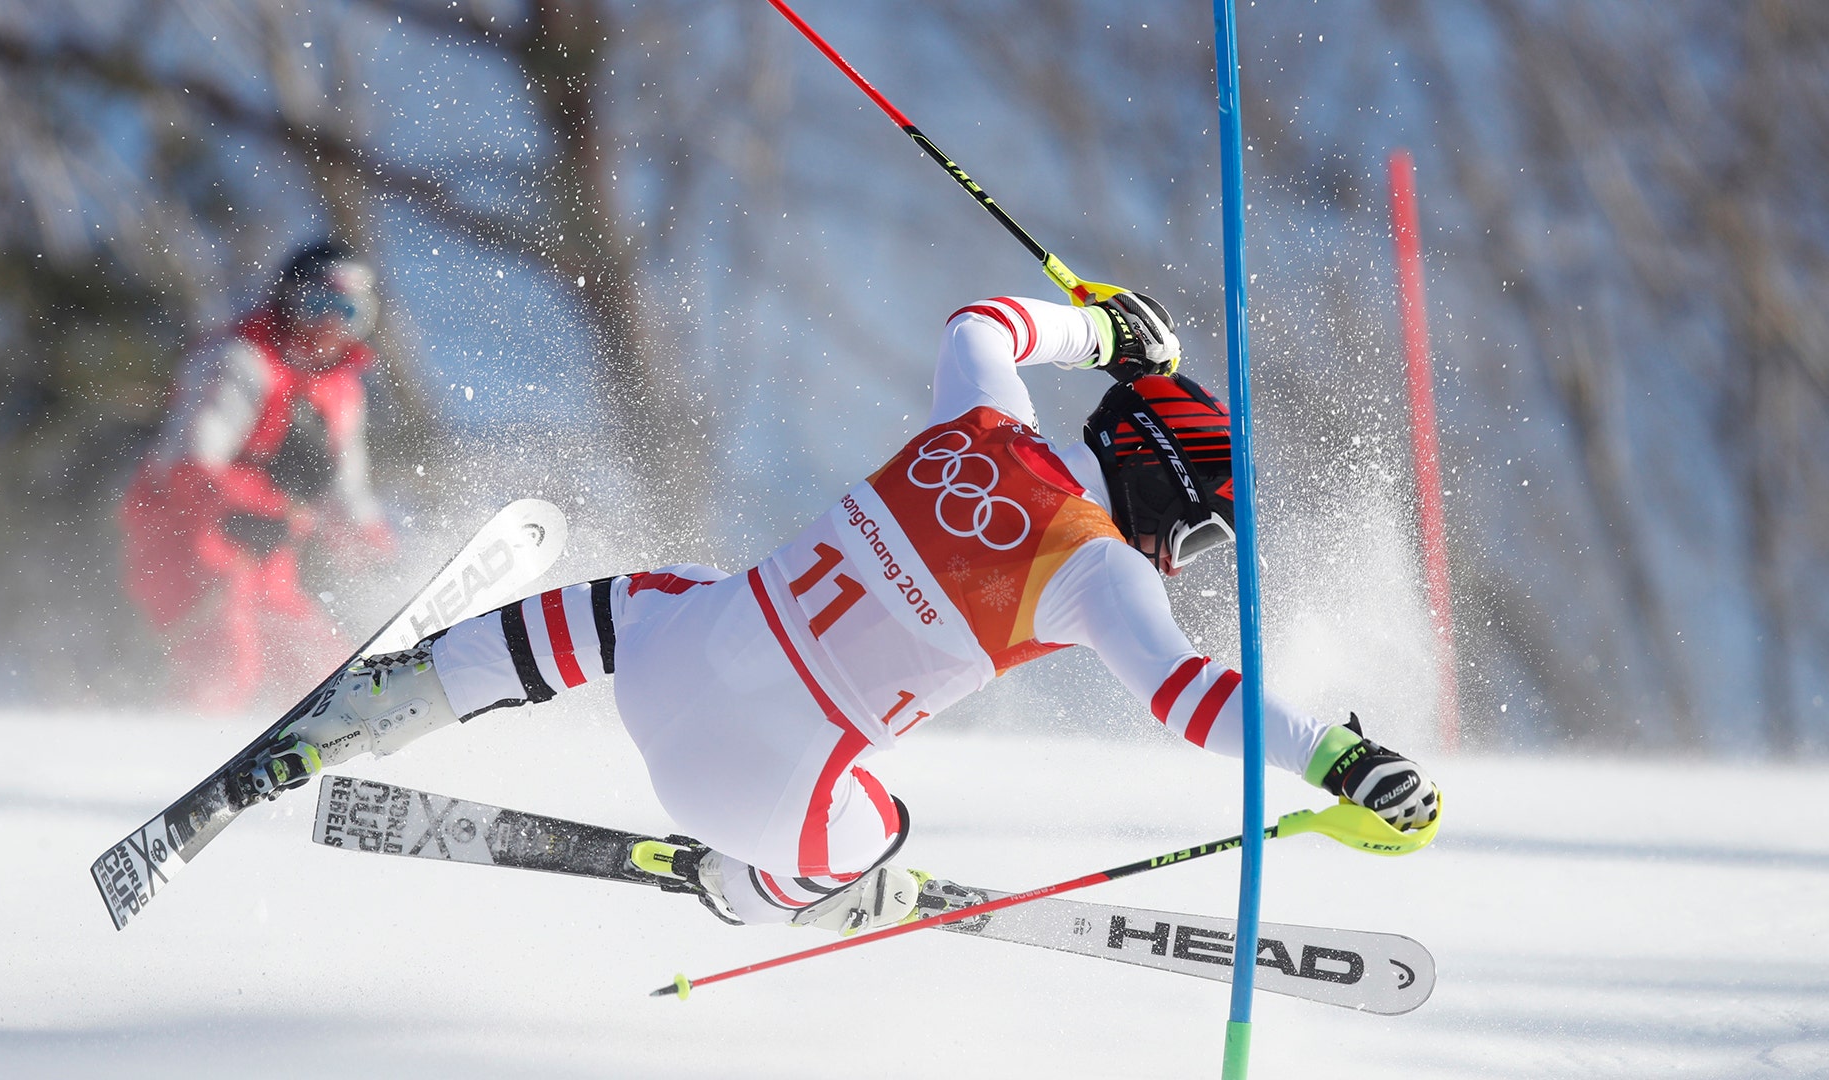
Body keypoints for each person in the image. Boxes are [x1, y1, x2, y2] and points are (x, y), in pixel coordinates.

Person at [253, 290, 1439, 932]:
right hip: (760, 804)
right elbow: (1193, 701)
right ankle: (753, 893)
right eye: (1195, 533)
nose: (1181, 561)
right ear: (1157, 485)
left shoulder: (985, 425)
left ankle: (420, 688)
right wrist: (1340, 759)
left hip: (660, 677)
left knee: (647, 600)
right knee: (880, 833)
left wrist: (1110, 333)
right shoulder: (1099, 572)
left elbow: (978, 323)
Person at [121, 239, 393, 712]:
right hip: (185, 540)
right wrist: (259, 506)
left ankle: (325, 753)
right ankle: (170, 760)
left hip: (265, 553)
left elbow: (347, 492)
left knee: (320, 669)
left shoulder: (342, 390)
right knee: (226, 659)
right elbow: (187, 462)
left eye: (349, 312)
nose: (331, 324)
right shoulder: (239, 360)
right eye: (319, 304)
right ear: (289, 300)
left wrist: (377, 551)